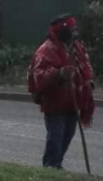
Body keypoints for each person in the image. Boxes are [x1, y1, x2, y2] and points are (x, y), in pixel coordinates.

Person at [28, 14, 95, 169]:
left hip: (74, 102)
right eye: (72, 30)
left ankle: (56, 165)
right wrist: (60, 73)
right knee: (55, 140)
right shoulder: (46, 50)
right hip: (55, 103)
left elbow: (86, 66)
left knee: (66, 138)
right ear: (63, 32)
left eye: (75, 29)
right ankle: (51, 167)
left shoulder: (77, 47)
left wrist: (87, 83)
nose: (75, 33)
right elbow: (39, 77)